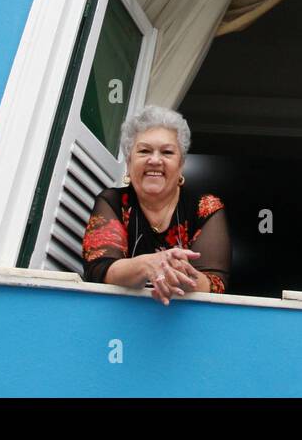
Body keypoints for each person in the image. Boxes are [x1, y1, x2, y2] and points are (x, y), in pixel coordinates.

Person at [82, 105, 230, 305]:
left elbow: (216, 284)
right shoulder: (112, 202)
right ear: (129, 161)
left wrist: (182, 276)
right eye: (144, 151)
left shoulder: (205, 208)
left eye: (167, 152)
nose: (155, 160)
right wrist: (148, 265)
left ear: (181, 165)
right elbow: (98, 270)